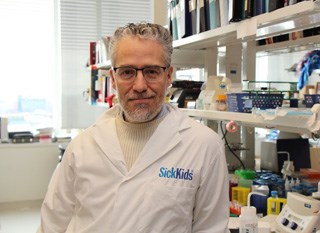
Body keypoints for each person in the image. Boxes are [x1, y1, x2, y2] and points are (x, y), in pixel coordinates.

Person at [37, 22, 230, 233]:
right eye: (127, 72)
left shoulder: (204, 145)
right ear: (113, 78)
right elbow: (52, 224)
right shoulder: (82, 146)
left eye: (151, 72)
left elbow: (211, 228)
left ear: (168, 76)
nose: (139, 86)